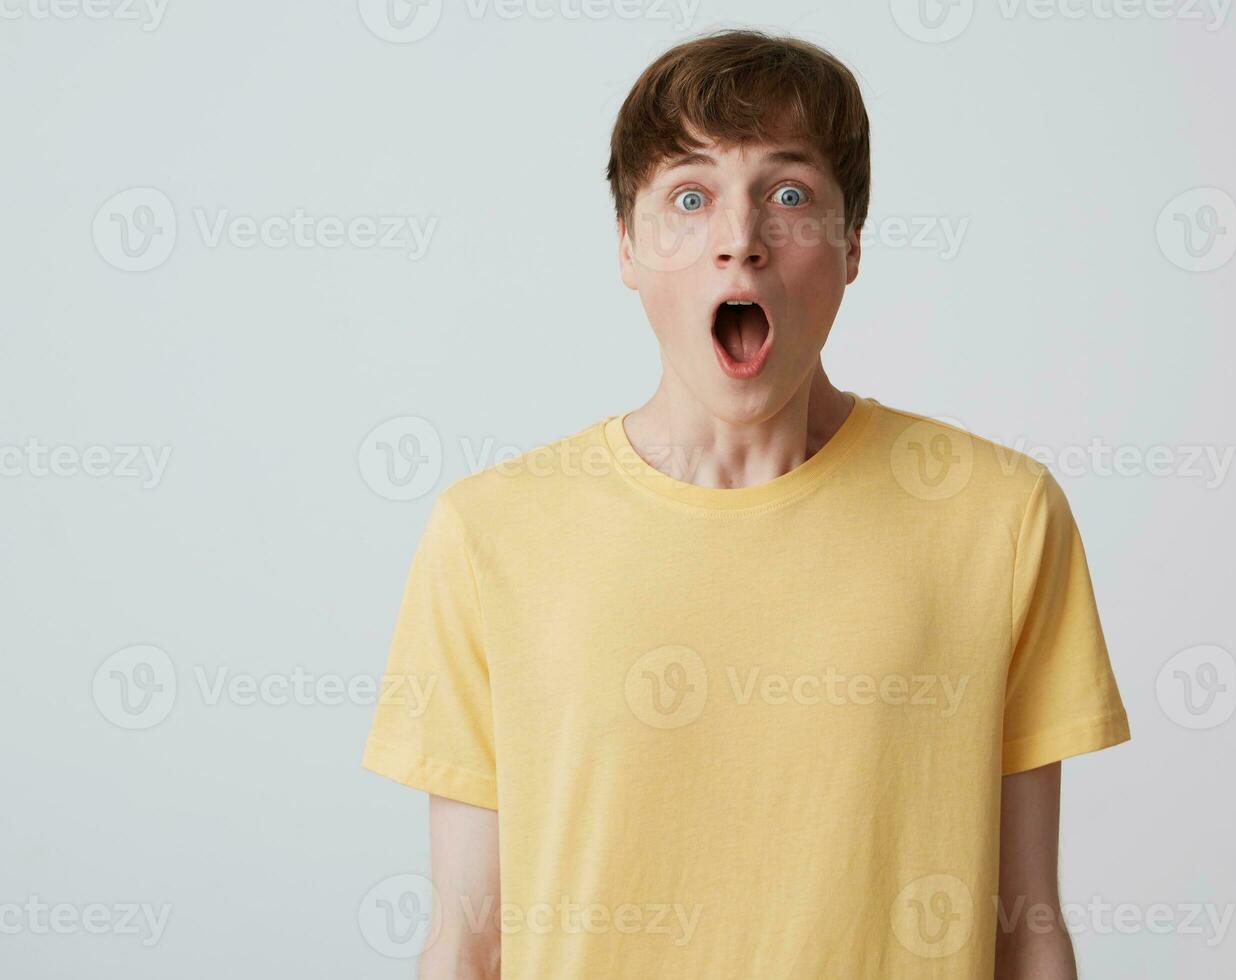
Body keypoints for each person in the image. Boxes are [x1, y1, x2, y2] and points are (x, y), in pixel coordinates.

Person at [362, 28, 1130, 980]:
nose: (740, 240)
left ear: (852, 247)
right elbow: (469, 942)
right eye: (690, 196)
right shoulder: (490, 534)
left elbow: (1028, 928)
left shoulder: (1000, 518)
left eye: (790, 195)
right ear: (628, 248)